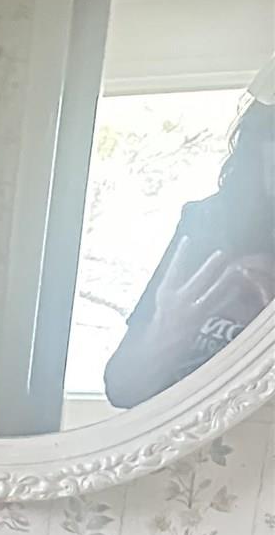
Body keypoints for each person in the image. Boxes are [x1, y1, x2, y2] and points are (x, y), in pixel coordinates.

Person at [104, 69, 275, 409]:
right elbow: (122, 389)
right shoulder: (207, 222)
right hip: (179, 453)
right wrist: (169, 329)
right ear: (259, 146)